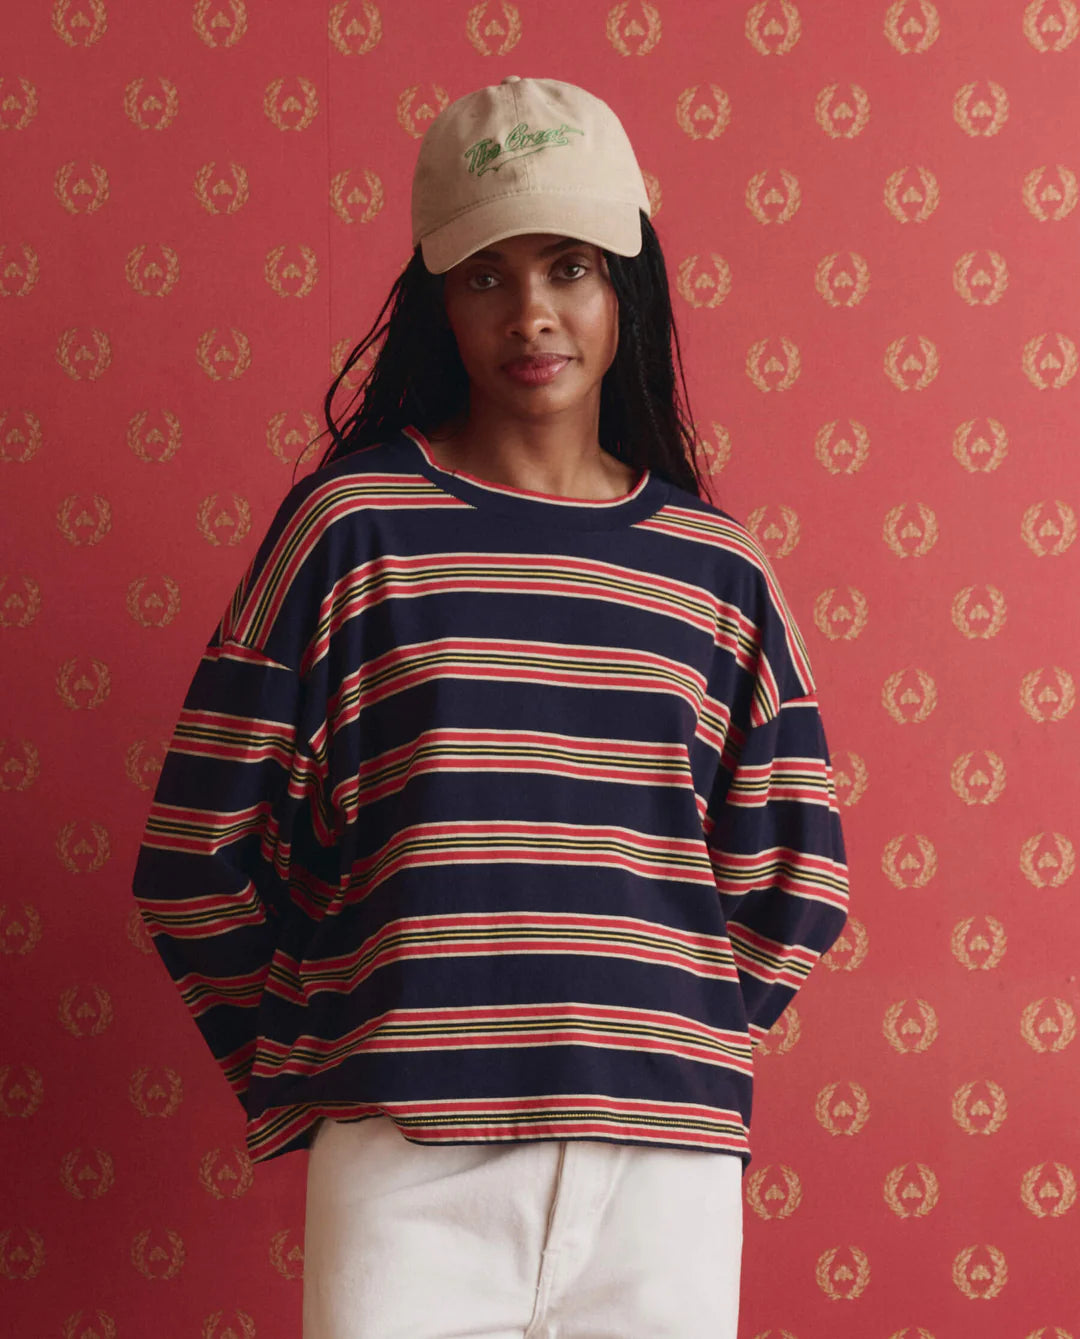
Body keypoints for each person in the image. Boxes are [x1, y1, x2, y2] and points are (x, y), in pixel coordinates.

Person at [132, 75, 849, 1339]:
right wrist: (329, 1053)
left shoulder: (717, 568)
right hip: (410, 1161)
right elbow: (193, 851)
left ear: (627, 277)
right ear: (436, 298)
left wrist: (668, 1038)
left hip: (663, 1179)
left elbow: (797, 876)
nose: (532, 312)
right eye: (485, 275)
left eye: (570, 265)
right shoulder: (353, 530)